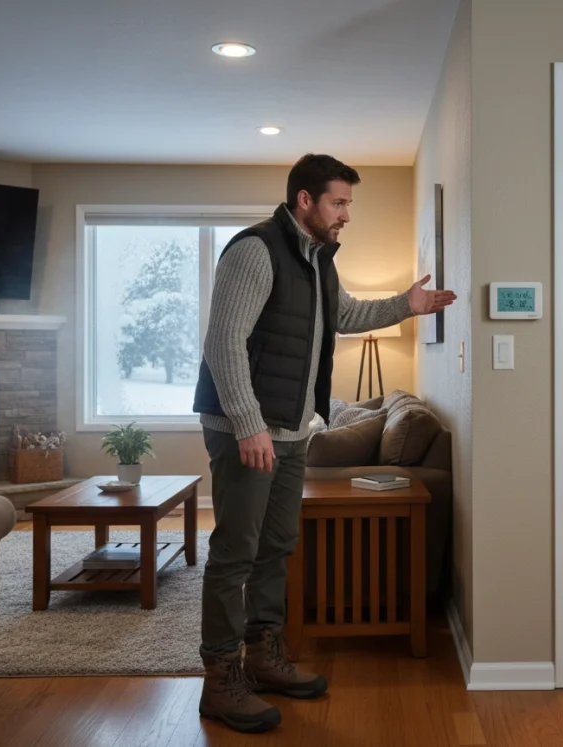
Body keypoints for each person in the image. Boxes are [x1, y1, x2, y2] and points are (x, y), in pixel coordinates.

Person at [191, 153, 456, 734]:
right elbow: (224, 343)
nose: (346, 216)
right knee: (237, 549)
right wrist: (247, 423)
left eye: (348, 204)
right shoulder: (255, 250)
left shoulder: (317, 262)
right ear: (305, 201)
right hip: (247, 429)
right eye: (339, 203)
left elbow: (347, 314)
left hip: (289, 429)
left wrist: (405, 306)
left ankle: (262, 657)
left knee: (278, 544)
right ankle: (220, 680)